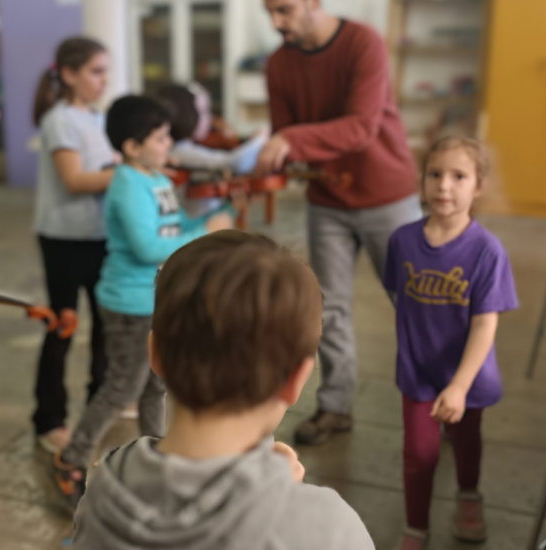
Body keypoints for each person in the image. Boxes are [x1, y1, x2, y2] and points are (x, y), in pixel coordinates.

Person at [72, 230, 374, 550]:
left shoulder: (104, 492)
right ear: (295, 380)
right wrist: (287, 501)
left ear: (155, 354)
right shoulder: (328, 527)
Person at [49, 95, 233, 510]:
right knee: (122, 387)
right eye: (161, 138)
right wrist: (205, 235)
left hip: (158, 300)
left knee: (156, 385)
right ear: (132, 147)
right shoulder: (128, 184)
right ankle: (71, 459)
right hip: (130, 304)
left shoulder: (156, 178)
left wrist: (213, 215)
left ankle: (158, 458)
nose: (169, 144)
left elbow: (175, 227)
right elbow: (149, 246)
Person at [258, 0, 423, 444]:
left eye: (284, 10)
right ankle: (335, 406)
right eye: (268, 12)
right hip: (327, 199)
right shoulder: (278, 64)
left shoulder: (362, 43)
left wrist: (290, 140)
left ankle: (444, 400)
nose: (276, 23)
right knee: (328, 308)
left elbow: (361, 127)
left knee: (416, 302)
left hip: (387, 195)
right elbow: (285, 136)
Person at [381, 137, 517, 550]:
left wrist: (459, 385)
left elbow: (483, 326)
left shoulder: (487, 252)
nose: (444, 186)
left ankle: (468, 493)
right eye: (435, 174)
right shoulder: (402, 242)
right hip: (418, 371)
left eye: (459, 176)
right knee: (419, 454)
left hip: (467, 375)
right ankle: (416, 527)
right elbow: (397, 295)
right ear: (422, 182)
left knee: (465, 442)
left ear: (478, 186)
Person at [30, 37, 116, 454]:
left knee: (106, 326)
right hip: (64, 239)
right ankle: (49, 418)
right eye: (96, 71)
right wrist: (132, 171)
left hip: (100, 236)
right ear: (68, 74)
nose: (103, 80)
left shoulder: (97, 118)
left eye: (105, 72)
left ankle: (103, 403)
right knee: (62, 325)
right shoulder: (59, 120)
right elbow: (76, 180)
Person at [153, 82, 269, 217]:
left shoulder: (186, 147)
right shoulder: (179, 151)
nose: (210, 118)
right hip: (197, 226)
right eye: (202, 112)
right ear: (185, 115)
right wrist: (262, 137)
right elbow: (235, 162)